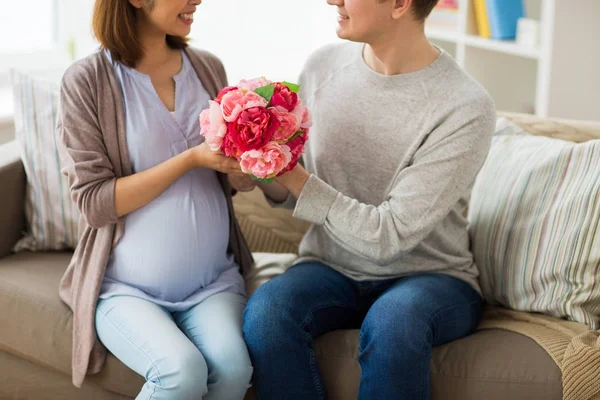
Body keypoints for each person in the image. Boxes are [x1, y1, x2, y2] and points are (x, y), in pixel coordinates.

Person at [236, 0, 496, 398]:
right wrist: (262, 171)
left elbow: (387, 238)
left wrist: (292, 173)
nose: (332, 1)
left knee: (395, 323)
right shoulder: (322, 67)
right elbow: (304, 194)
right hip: (329, 264)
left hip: (429, 275)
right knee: (268, 316)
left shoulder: (464, 105)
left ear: (399, 4)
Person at [57, 0, 253, 398]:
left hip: (212, 282)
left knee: (234, 370)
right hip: (125, 288)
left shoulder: (208, 68)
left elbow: (235, 182)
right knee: (180, 372)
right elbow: (95, 202)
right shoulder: (87, 81)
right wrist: (189, 159)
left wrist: (255, 159)